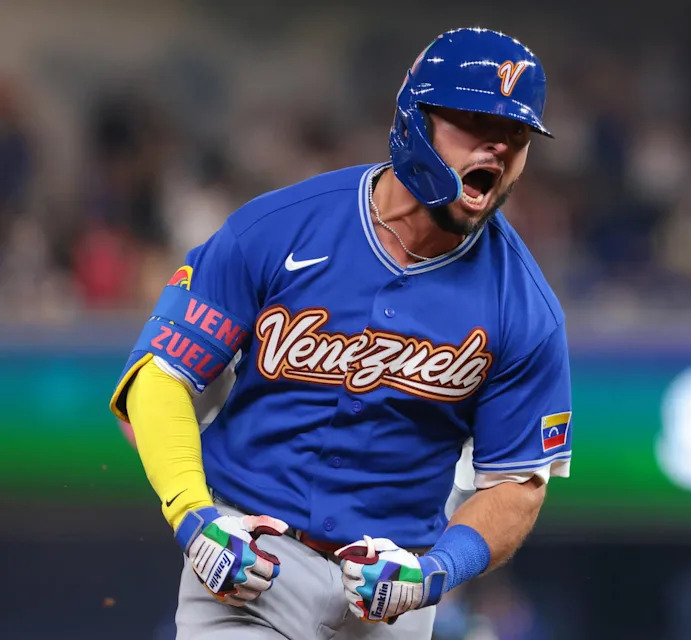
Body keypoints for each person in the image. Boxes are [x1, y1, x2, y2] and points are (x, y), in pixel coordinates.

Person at [109, 26, 573, 639]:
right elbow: (159, 379)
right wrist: (195, 518)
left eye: (516, 135)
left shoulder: (526, 307)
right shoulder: (278, 228)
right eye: (475, 124)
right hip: (251, 566)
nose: (498, 148)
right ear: (414, 119)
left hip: (390, 592)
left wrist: (435, 573)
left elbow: (516, 484)